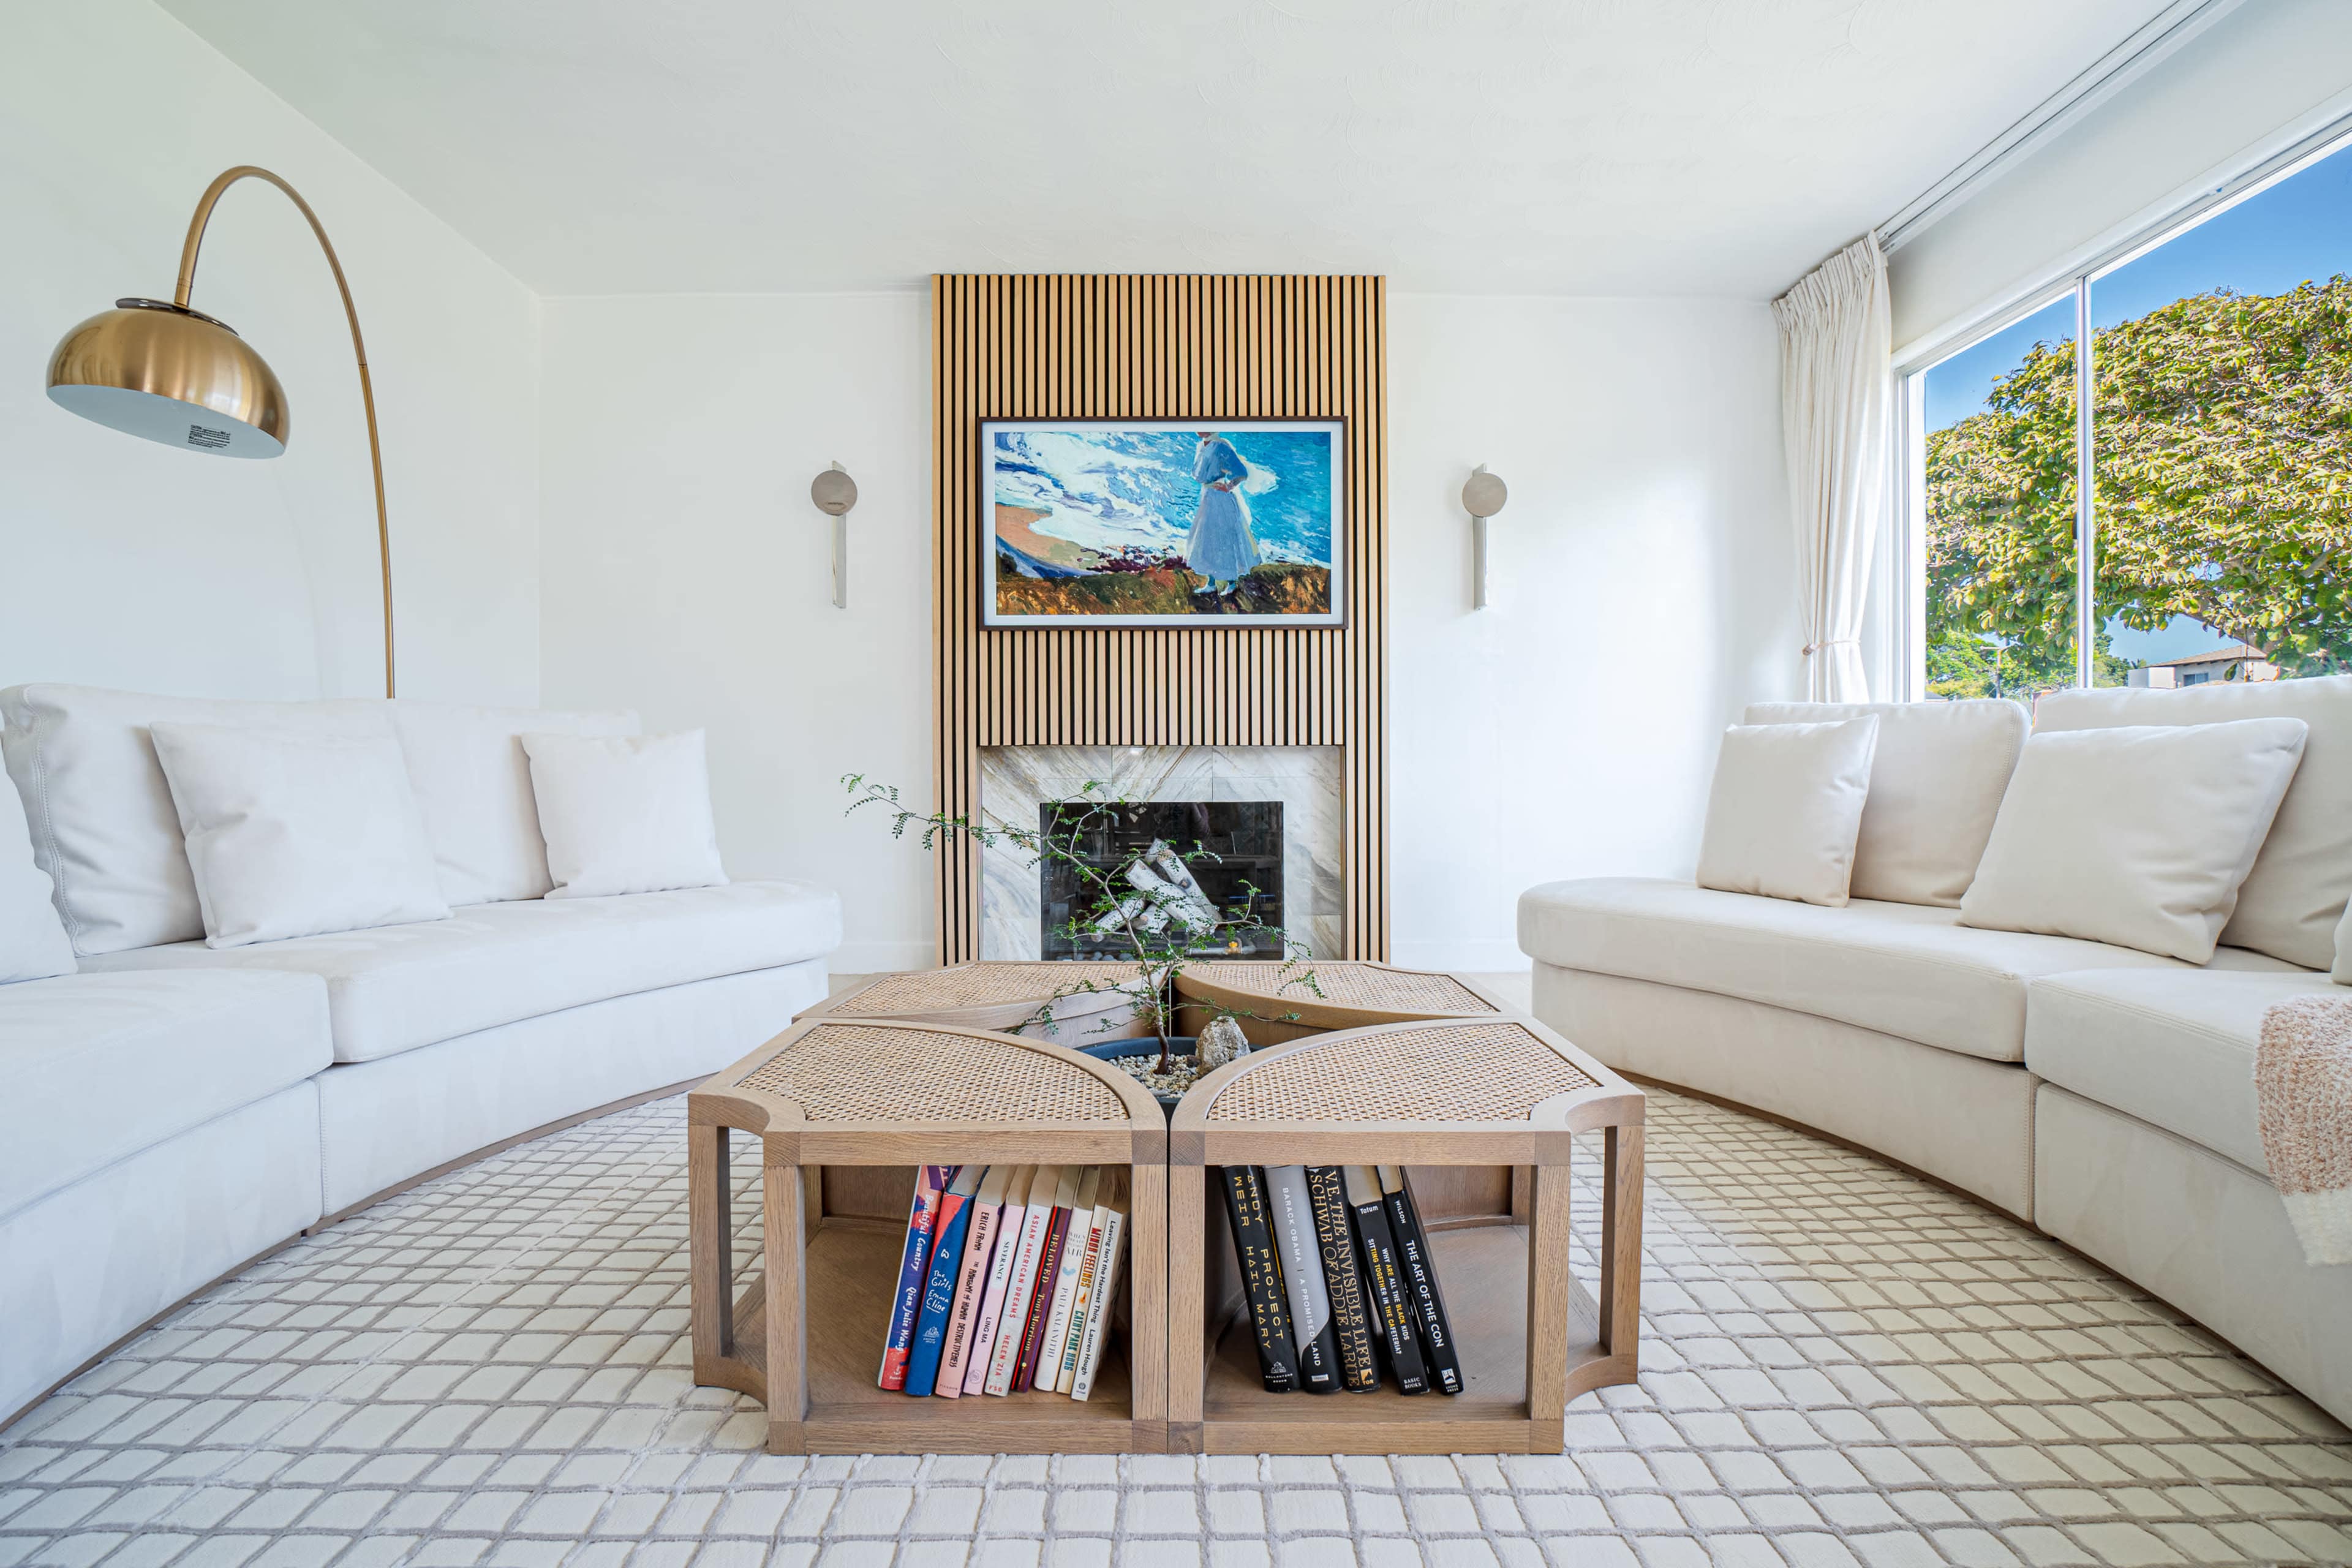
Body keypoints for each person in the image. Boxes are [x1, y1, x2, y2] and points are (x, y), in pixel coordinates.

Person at [1184, 431, 1260, 601]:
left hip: (1222, 499)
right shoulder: (1200, 446)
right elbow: (1197, 475)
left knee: (1226, 539)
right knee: (1208, 539)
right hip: (1208, 497)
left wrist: (1230, 485)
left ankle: (1231, 583)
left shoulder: (1221, 446)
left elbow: (1241, 471)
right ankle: (1211, 583)